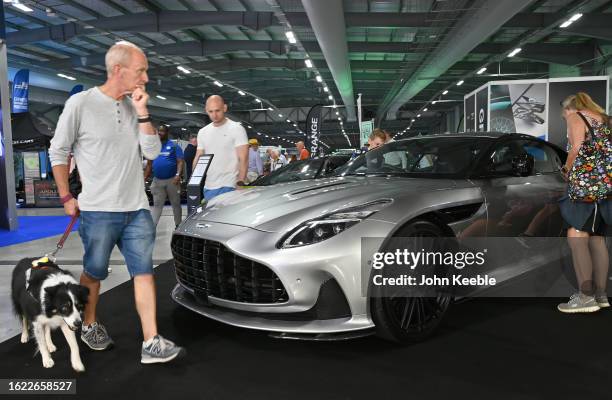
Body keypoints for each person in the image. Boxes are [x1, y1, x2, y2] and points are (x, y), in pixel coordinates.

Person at [48, 41, 185, 364]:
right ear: (118, 69)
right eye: (142, 70)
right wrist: (66, 195)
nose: (146, 78)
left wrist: (142, 112)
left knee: (144, 272)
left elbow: (151, 151)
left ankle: (151, 340)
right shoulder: (81, 104)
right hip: (98, 210)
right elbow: (58, 151)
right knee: (94, 272)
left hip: (136, 208)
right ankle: (89, 322)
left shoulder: (133, 106)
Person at [557, 92, 612, 313]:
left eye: (563, 115)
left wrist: (566, 169)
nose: (565, 119)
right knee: (597, 239)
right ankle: (600, 295)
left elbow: (577, 147)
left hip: (585, 187)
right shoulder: (605, 119)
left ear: (569, 108)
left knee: (576, 235)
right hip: (606, 187)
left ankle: (585, 298)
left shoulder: (575, 116)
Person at [193, 95, 248, 201]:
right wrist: (194, 179)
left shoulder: (237, 129)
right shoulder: (203, 132)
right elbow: (198, 157)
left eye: (217, 110)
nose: (214, 115)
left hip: (230, 185)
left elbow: (244, 159)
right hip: (208, 187)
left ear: (225, 108)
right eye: (211, 111)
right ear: (206, 111)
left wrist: (240, 184)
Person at [145, 124, 184, 228]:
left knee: (175, 204)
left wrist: (177, 175)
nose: (159, 133)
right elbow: (149, 164)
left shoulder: (174, 146)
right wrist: (143, 178)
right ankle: (153, 228)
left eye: (162, 131)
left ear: (167, 133)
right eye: (158, 131)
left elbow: (180, 162)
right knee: (157, 205)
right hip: (157, 181)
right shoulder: (154, 147)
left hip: (172, 181)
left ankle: (178, 225)